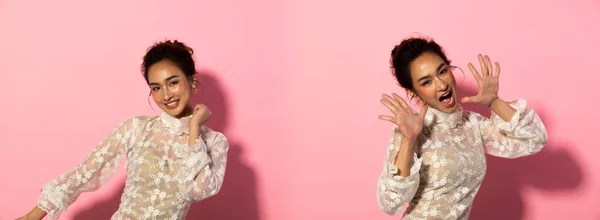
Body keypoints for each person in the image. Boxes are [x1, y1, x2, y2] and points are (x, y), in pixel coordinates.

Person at [17, 40, 229, 220]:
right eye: (156, 87)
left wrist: (194, 129)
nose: (166, 95)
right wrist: (32, 216)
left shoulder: (215, 142)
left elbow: (198, 190)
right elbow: (86, 172)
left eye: (172, 83)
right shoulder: (136, 128)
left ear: (191, 81)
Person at [376, 36, 548, 219]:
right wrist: (409, 141)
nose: (442, 85)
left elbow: (534, 139)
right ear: (413, 92)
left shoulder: (473, 125)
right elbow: (390, 204)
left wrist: (494, 102)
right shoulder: (411, 131)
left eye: (442, 72)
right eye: (426, 82)